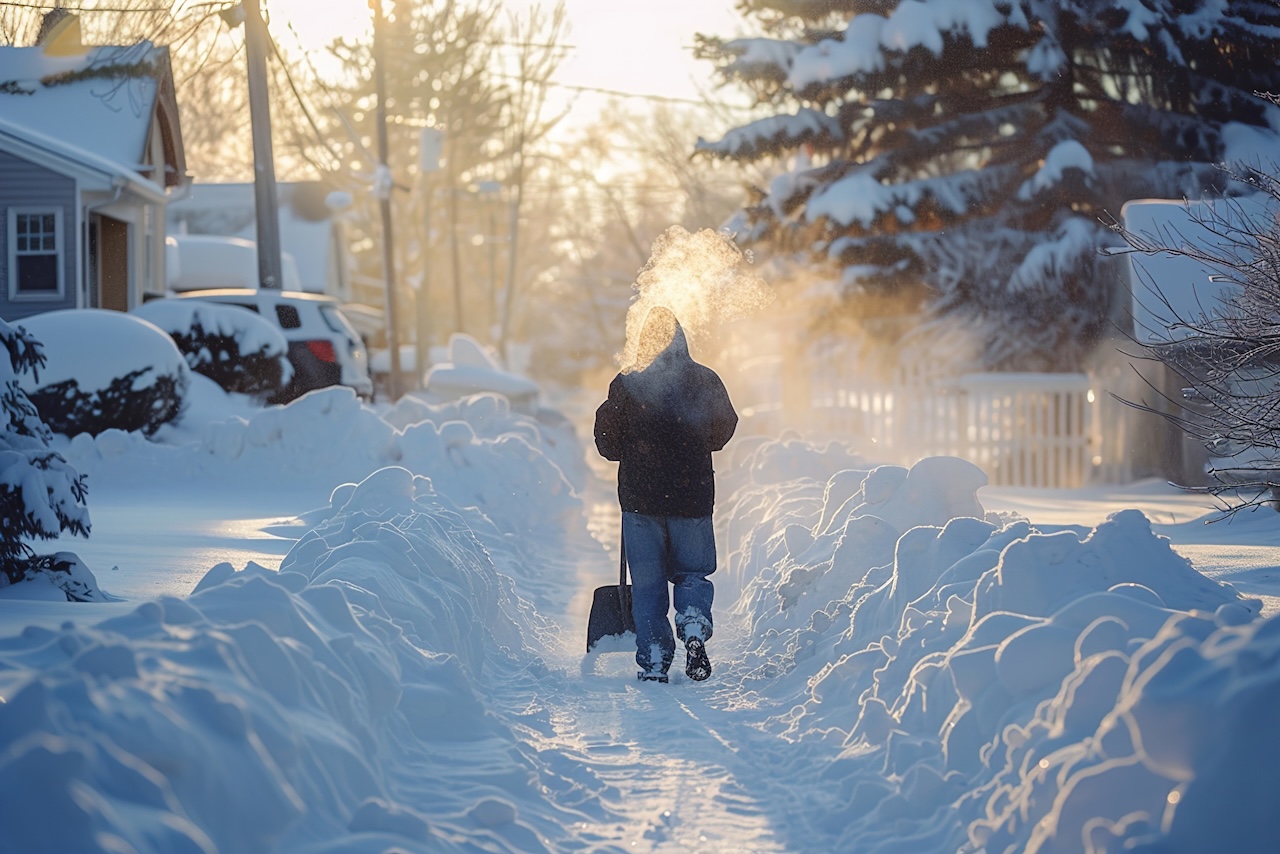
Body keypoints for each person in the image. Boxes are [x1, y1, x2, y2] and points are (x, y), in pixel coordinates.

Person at [593, 306, 738, 682]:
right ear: (681, 340)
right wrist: (692, 443)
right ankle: (692, 625)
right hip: (692, 498)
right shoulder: (705, 380)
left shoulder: (627, 383)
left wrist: (632, 444)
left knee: (648, 582)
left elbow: (606, 442)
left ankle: (655, 656)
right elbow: (724, 429)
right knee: (692, 572)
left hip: (641, 501)